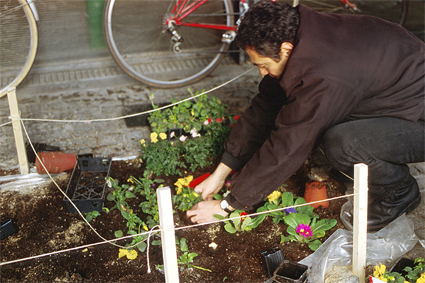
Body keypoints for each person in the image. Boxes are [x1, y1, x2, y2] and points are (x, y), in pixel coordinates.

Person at [186, 1, 424, 231]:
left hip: (419, 118)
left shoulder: (323, 76)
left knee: (343, 144)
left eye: (264, 65)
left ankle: (401, 192)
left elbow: (289, 144)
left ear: (285, 50)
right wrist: (221, 172)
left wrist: (227, 205)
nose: (262, 72)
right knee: (320, 124)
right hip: (396, 94)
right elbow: (266, 107)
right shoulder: (300, 33)